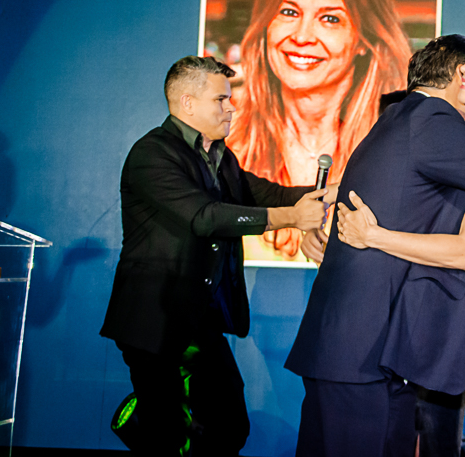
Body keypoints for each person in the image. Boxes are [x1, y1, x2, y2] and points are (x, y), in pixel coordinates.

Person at [285, 25, 465, 457]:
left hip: (376, 344)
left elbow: (454, 224)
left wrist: (374, 234)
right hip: (365, 347)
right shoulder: (432, 121)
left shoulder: (413, 120)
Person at [100, 55, 334, 457]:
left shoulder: (220, 156)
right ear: (188, 103)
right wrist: (292, 218)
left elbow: (264, 195)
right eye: (221, 99)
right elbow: (205, 217)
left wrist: (331, 192)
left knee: (228, 426)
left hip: (196, 321)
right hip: (153, 321)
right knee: (167, 435)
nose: (231, 107)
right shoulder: (152, 154)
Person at [228, 0, 412, 258]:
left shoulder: (393, 147)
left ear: (363, 40)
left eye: (329, 18)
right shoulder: (228, 144)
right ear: (266, 23)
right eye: (289, 12)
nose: (302, 36)